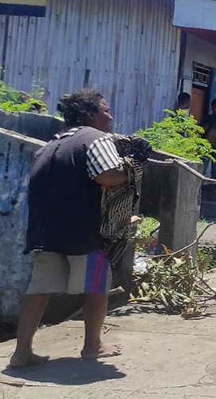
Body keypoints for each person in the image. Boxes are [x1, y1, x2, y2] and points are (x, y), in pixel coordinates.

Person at [10, 89, 128, 368]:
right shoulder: (96, 139)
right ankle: (93, 346)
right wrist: (130, 169)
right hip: (84, 231)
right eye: (106, 110)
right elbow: (107, 176)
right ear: (90, 114)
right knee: (97, 284)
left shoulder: (50, 144)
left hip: (44, 232)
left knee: (38, 290)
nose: (111, 117)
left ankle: (21, 352)